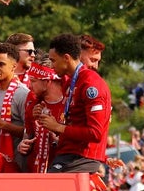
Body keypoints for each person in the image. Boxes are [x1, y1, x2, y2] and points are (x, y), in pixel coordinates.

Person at [38, 33, 112, 173]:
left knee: (46, 190)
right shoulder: (72, 82)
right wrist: (54, 125)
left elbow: (96, 133)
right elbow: (75, 122)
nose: (52, 66)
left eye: (53, 61)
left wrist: (59, 127)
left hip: (81, 157)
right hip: (70, 154)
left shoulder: (91, 84)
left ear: (66, 58)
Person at [0, 43, 29, 172]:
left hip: (16, 164)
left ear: (14, 66)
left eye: (1, 64)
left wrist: (2, 124)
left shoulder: (22, 94)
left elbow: (30, 133)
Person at [19, 60, 63, 173]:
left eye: (33, 81)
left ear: (47, 81)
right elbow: (28, 134)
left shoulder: (68, 102)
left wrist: (57, 136)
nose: (29, 85)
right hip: (35, 172)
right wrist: (24, 144)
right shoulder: (32, 100)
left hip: (61, 172)